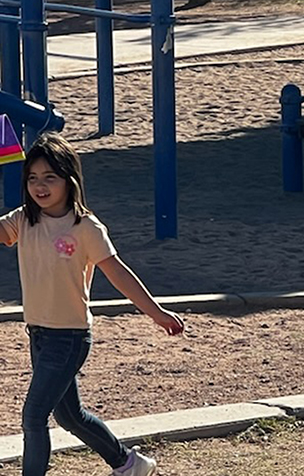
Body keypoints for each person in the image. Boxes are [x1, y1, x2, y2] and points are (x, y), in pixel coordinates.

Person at [0, 132, 185, 476]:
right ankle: (129, 463)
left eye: (49, 178)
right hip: (38, 333)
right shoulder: (24, 220)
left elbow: (119, 273)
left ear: (69, 181)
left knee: (34, 415)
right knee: (70, 415)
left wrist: (157, 314)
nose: (40, 186)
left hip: (68, 337)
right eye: (32, 178)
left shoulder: (86, 227)